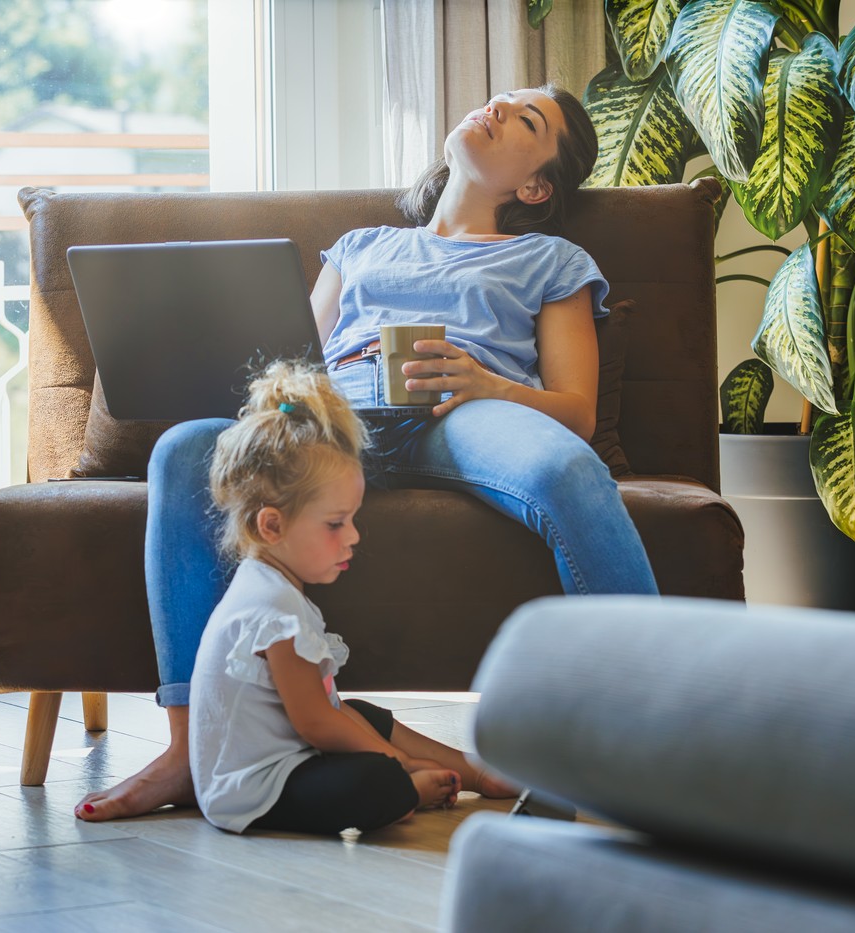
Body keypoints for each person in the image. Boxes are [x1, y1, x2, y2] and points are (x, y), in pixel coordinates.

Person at [76, 84, 657, 823]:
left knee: (566, 469)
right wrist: (277, 406)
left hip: (470, 410)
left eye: (526, 119)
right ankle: (193, 749)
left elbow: (574, 414)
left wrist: (487, 382)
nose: (498, 108)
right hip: (343, 413)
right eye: (501, 98)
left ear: (535, 184)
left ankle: (651, 739)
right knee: (185, 449)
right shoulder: (362, 246)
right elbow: (295, 363)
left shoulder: (549, 258)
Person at [188, 360, 514, 834]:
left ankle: (473, 771)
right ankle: (408, 792)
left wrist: (383, 747)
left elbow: (326, 718)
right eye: (336, 523)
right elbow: (315, 726)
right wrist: (399, 763)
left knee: (362, 714)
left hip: (288, 760)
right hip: (254, 791)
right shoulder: (273, 609)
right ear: (272, 526)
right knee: (372, 776)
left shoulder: (270, 585)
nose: (354, 537)